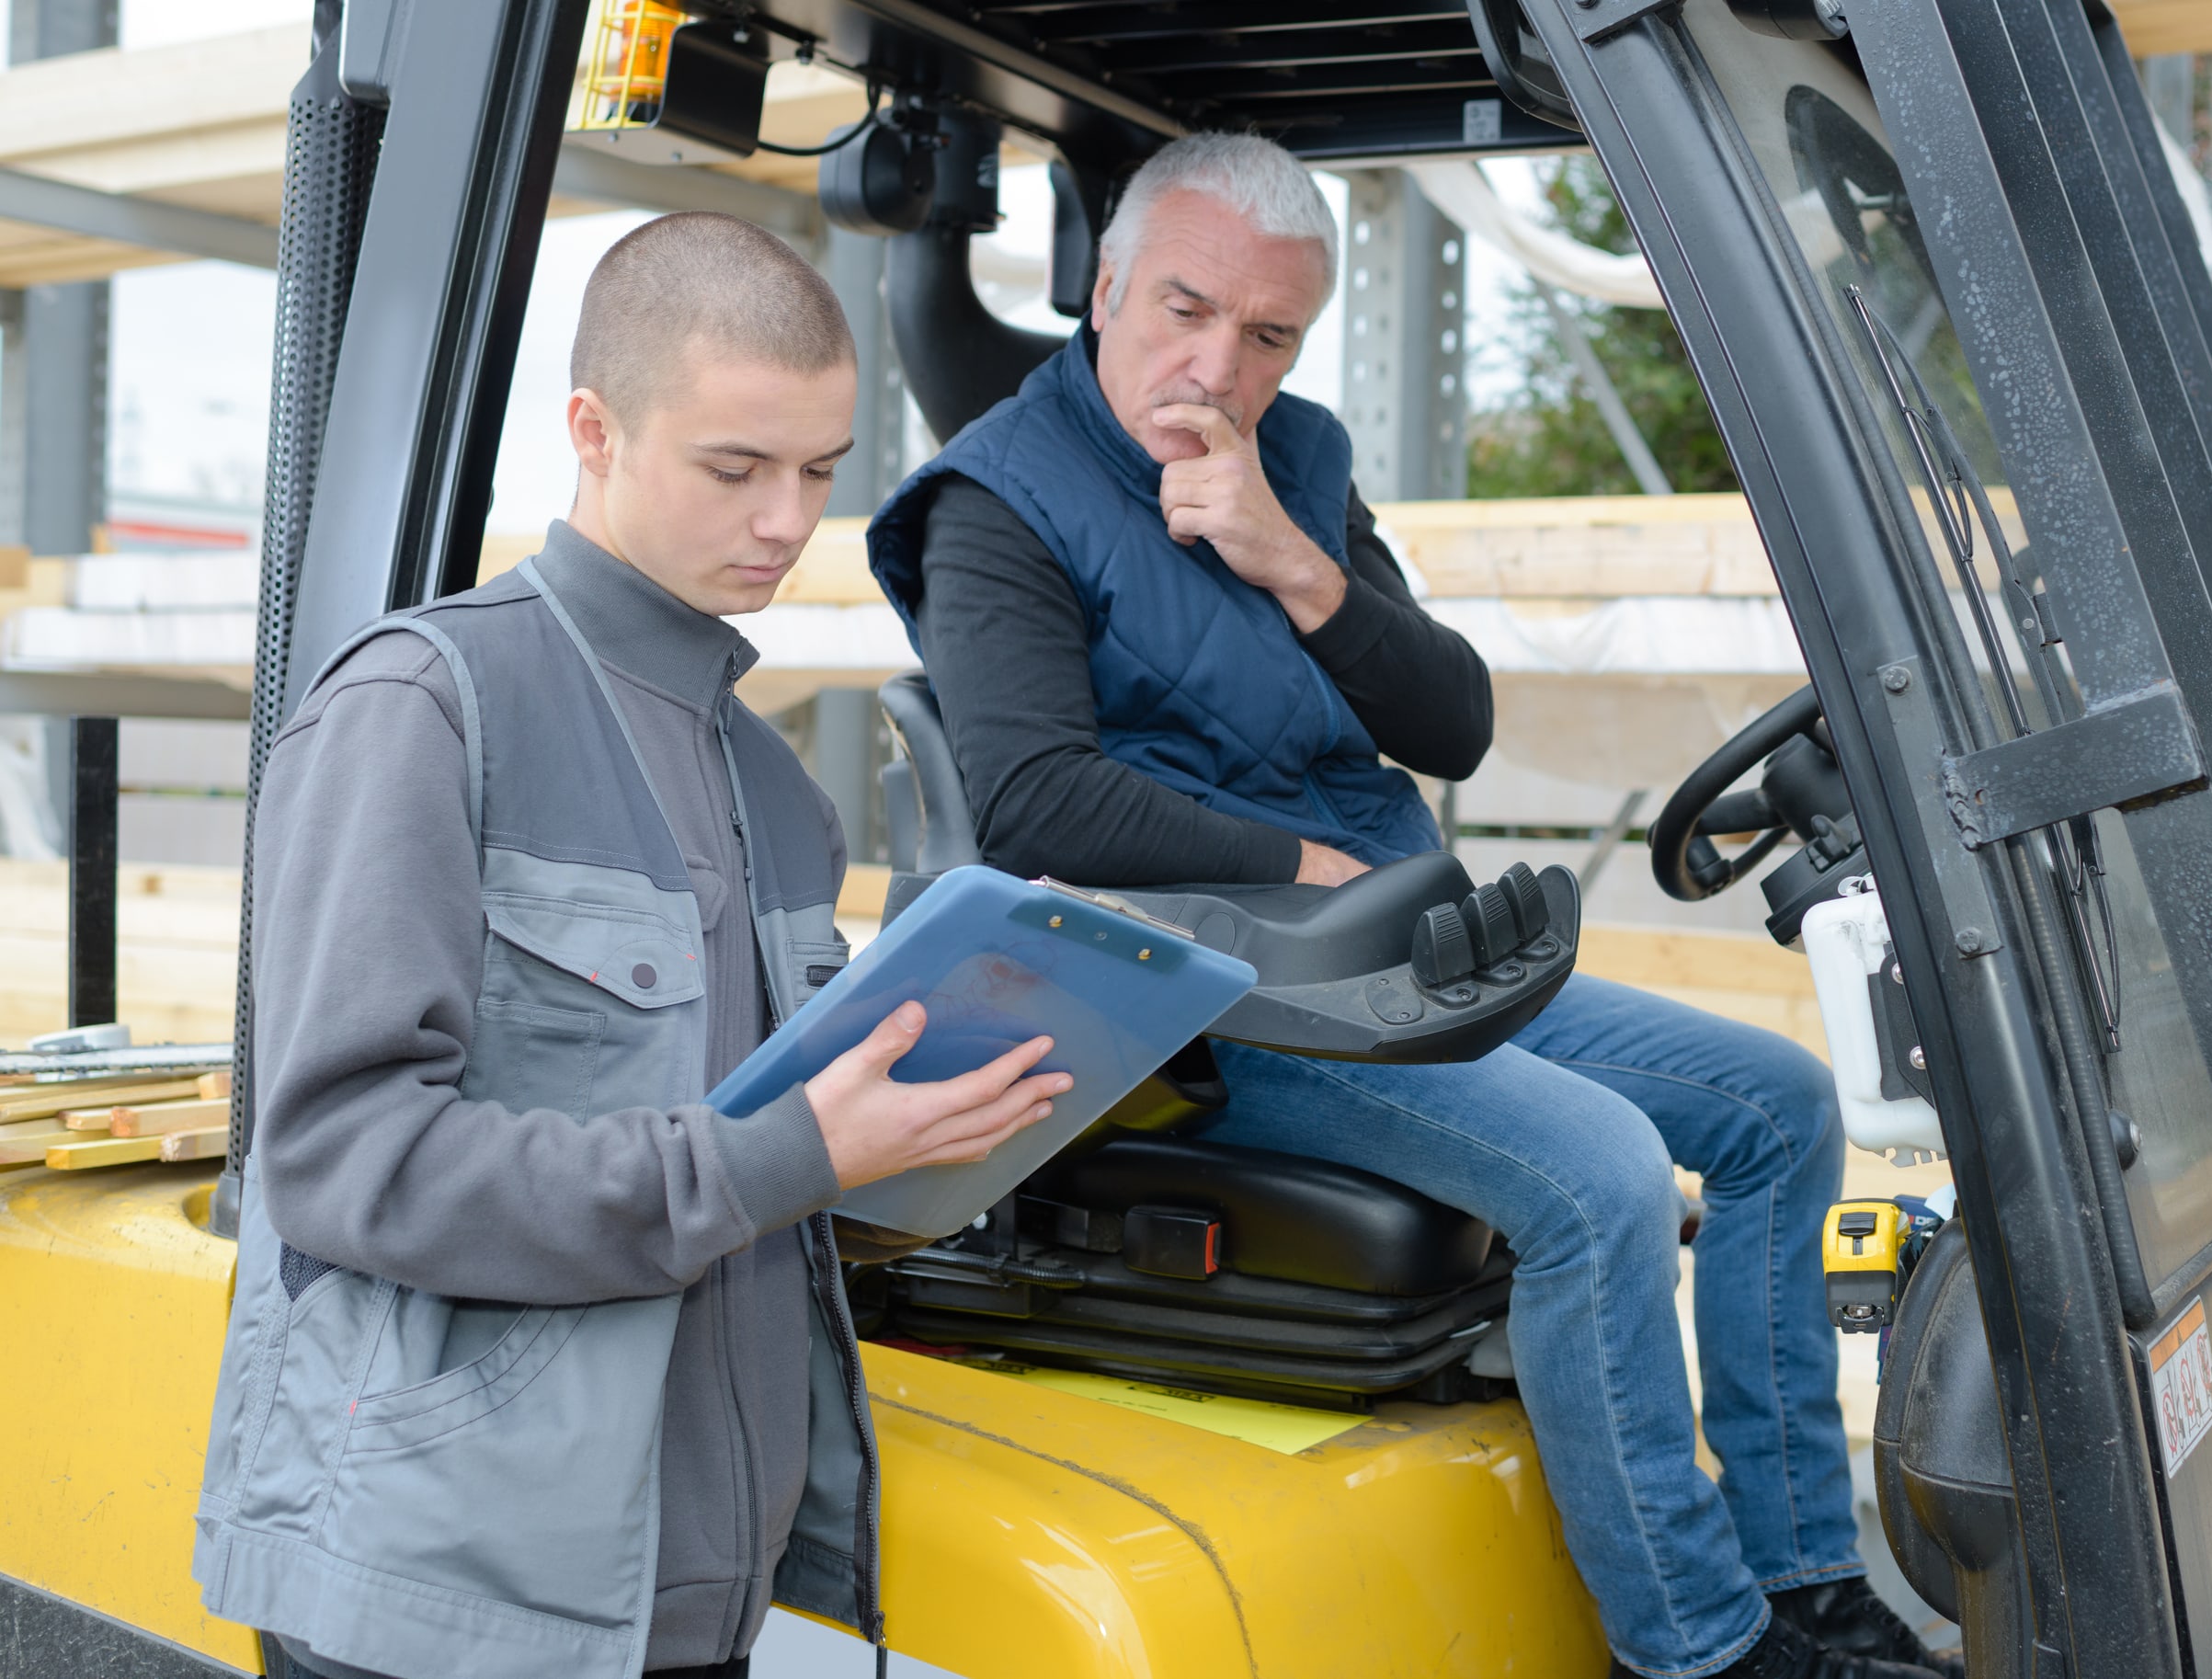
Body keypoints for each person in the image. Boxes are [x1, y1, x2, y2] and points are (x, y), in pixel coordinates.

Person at [865, 137, 1958, 1679]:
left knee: (1778, 1104)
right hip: (1222, 995)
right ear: (1105, 289)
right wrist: (1297, 867)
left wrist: (1289, 560)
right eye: (1183, 310)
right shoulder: (999, 505)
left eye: (1266, 337)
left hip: (1400, 966)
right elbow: (1038, 798)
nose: (1216, 364)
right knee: (1601, 1174)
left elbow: (1449, 720)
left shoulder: (1292, 462)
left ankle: (1800, 1578)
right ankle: (1704, 1648)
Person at [193, 211, 1068, 1679]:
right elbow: (345, 1159)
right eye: (737, 468)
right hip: (443, 1597)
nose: (789, 520)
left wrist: (963, 1100)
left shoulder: (778, 790)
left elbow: (781, 1170)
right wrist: (783, 1153)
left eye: (818, 471)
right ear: (593, 431)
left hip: (690, 1599)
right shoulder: (429, 707)